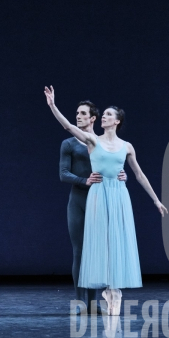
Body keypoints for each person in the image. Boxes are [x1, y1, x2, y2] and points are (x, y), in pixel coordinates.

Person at [44, 86, 168, 316]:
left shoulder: (127, 146)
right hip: (97, 196)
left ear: (118, 121)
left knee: (113, 246)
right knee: (91, 247)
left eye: (108, 115)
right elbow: (68, 127)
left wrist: (156, 201)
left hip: (117, 195)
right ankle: (88, 300)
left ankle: (112, 291)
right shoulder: (91, 140)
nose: (104, 117)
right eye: (103, 115)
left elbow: (139, 174)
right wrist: (53, 106)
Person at [60, 101, 127, 315]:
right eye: (76, 113)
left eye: (82, 113)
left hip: (100, 201)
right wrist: (84, 180)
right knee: (80, 252)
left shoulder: (102, 143)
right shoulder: (69, 144)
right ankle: (81, 302)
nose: (78, 116)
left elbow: (114, 163)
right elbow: (63, 174)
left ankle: (94, 302)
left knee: (98, 253)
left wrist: (122, 175)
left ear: (93, 119)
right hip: (79, 202)